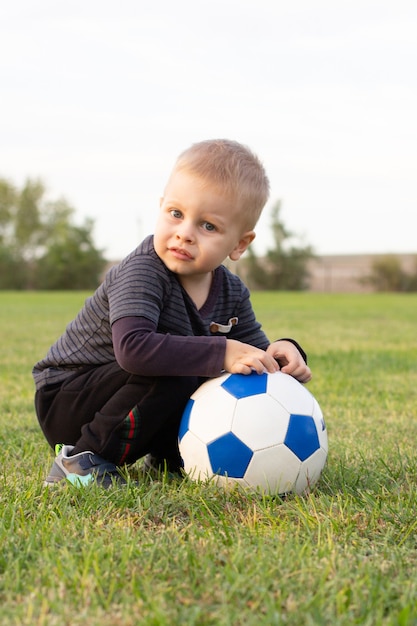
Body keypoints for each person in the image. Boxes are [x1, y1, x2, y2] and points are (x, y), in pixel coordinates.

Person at [33, 139, 312, 488]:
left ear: (239, 244)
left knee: (208, 367)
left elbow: (251, 354)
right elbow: (134, 350)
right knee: (180, 363)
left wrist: (282, 352)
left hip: (127, 398)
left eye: (208, 226)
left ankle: (172, 454)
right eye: (176, 214)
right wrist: (222, 351)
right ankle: (81, 462)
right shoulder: (143, 271)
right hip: (69, 400)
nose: (185, 233)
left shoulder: (231, 291)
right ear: (161, 206)